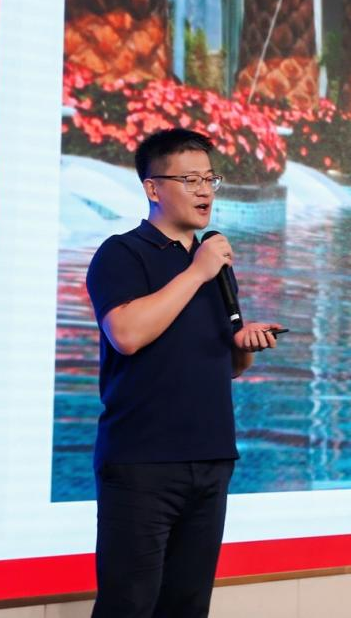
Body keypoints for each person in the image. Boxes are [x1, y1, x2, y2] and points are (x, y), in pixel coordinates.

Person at [85, 127, 282, 617]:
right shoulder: (123, 252)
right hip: (143, 461)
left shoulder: (214, 263)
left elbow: (228, 366)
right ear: (153, 188)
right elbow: (126, 333)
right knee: (129, 605)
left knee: (187, 606)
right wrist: (197, 272)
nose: (204, 190)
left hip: (211, 457)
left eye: (210, 179)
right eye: (189, 179)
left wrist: (245, 345)